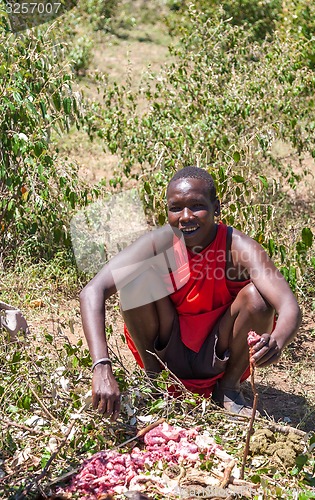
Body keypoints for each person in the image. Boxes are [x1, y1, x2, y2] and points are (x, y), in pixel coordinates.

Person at [80, 166, 301, 420]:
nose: (185, 216)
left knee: (259, 300)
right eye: (175, 208)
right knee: (135, 281)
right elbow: (92, 291)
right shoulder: (158, 243)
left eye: (196, 206)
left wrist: (277, 340)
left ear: (216, 208)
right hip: (167, 348)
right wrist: (101, 366)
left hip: (219, 351)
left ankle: (228, 389)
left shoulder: (238, 247)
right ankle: (154, 383)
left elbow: (288, 306)